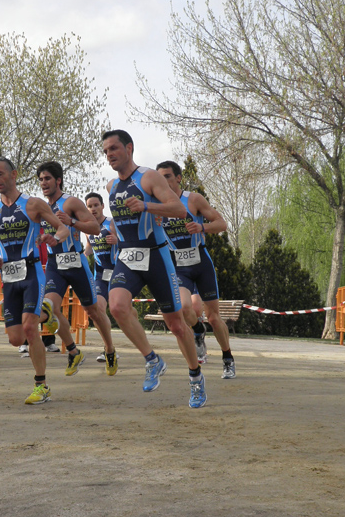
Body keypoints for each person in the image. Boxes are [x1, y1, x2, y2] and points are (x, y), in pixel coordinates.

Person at [101, 129, 208, 408]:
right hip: (128, 256)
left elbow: (179, 210)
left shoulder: (149, 177)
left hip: (157, 256)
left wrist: (147, 206)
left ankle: (196, 377)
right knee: (117, 307)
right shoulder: (111, 186)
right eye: (106, 151)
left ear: (129, 148)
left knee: (176, 325)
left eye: (114, 148)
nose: (109, 154)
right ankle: (152, 360)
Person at [0, 156, 69, 404]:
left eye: (0, 174)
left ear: (14, 175)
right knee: (16, 339)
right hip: (9, 278)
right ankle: (47, 313)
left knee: (30, 328)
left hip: (31, 273)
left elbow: (62, 228)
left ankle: (41, 386)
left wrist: (55, 239)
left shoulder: (33, 205)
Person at [36, 162, 118, 377]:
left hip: (76, 264)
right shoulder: (41, 207)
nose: (43, 183)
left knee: (93, 311)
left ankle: (109, 349)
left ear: (58, 180)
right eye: (41, 179)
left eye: (47, 178)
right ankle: (73, 351)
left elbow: (95, 228)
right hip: (55, 265)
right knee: (50, 308)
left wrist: (72, 221)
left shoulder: (71, 202)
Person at [157, 161, 236, 378]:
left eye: (167, 176)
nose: (163, 181)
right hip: (178, 267)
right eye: (159, 178)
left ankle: (227, 358)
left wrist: (202, 227)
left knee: (214, 318)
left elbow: (221, 224)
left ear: (178, 178)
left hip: (201, 263)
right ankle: (198, 331)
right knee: (184, 308)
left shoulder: (193, 199)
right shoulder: (157, 206)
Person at [83, 192, 121, 364]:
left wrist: (117, 241)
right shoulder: (87, 228)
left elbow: (127, 241)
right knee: (97, 309)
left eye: (96, 205)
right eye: (89, 206)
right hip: (100, 274)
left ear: (102, 206)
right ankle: (108, 348)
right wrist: (82, 256)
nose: (93, 209)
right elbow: (89, 247)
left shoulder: (111, 223)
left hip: (118, 271)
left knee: (121, 309)